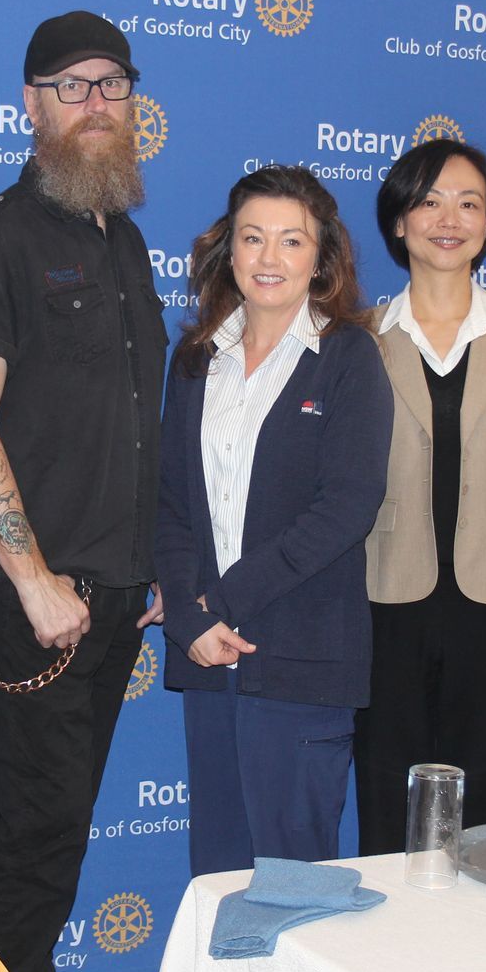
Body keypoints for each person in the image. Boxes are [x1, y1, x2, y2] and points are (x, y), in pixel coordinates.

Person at [0, 10, 165, 972]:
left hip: (113, 587)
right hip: (34, 594)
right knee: (33, 826)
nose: (95, 104)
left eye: (111, 83)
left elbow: (127, 419)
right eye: (70, 86)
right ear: (30, 103)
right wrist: (31, 579)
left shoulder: (122, 236)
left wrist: (146, 560)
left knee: (58, 822)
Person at [157, 165, 391, 874]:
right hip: (207, 657)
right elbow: (168, 500)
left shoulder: (349, 358)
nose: (269, 258)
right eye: (253, 238)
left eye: (291, 241)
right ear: (229, 251)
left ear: (321, 258)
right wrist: (188, 621)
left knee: (291, 888)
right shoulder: (197, 357)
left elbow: (345, 509)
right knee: (219, 875)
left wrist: (218, 601)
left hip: (303, 658)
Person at [358, 139, 486, 851]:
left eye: (469, 203)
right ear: (398, 221)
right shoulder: (357, 336)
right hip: (384, 598)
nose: (449, 218)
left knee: (482, 798)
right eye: (429, 200)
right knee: (388, 793)